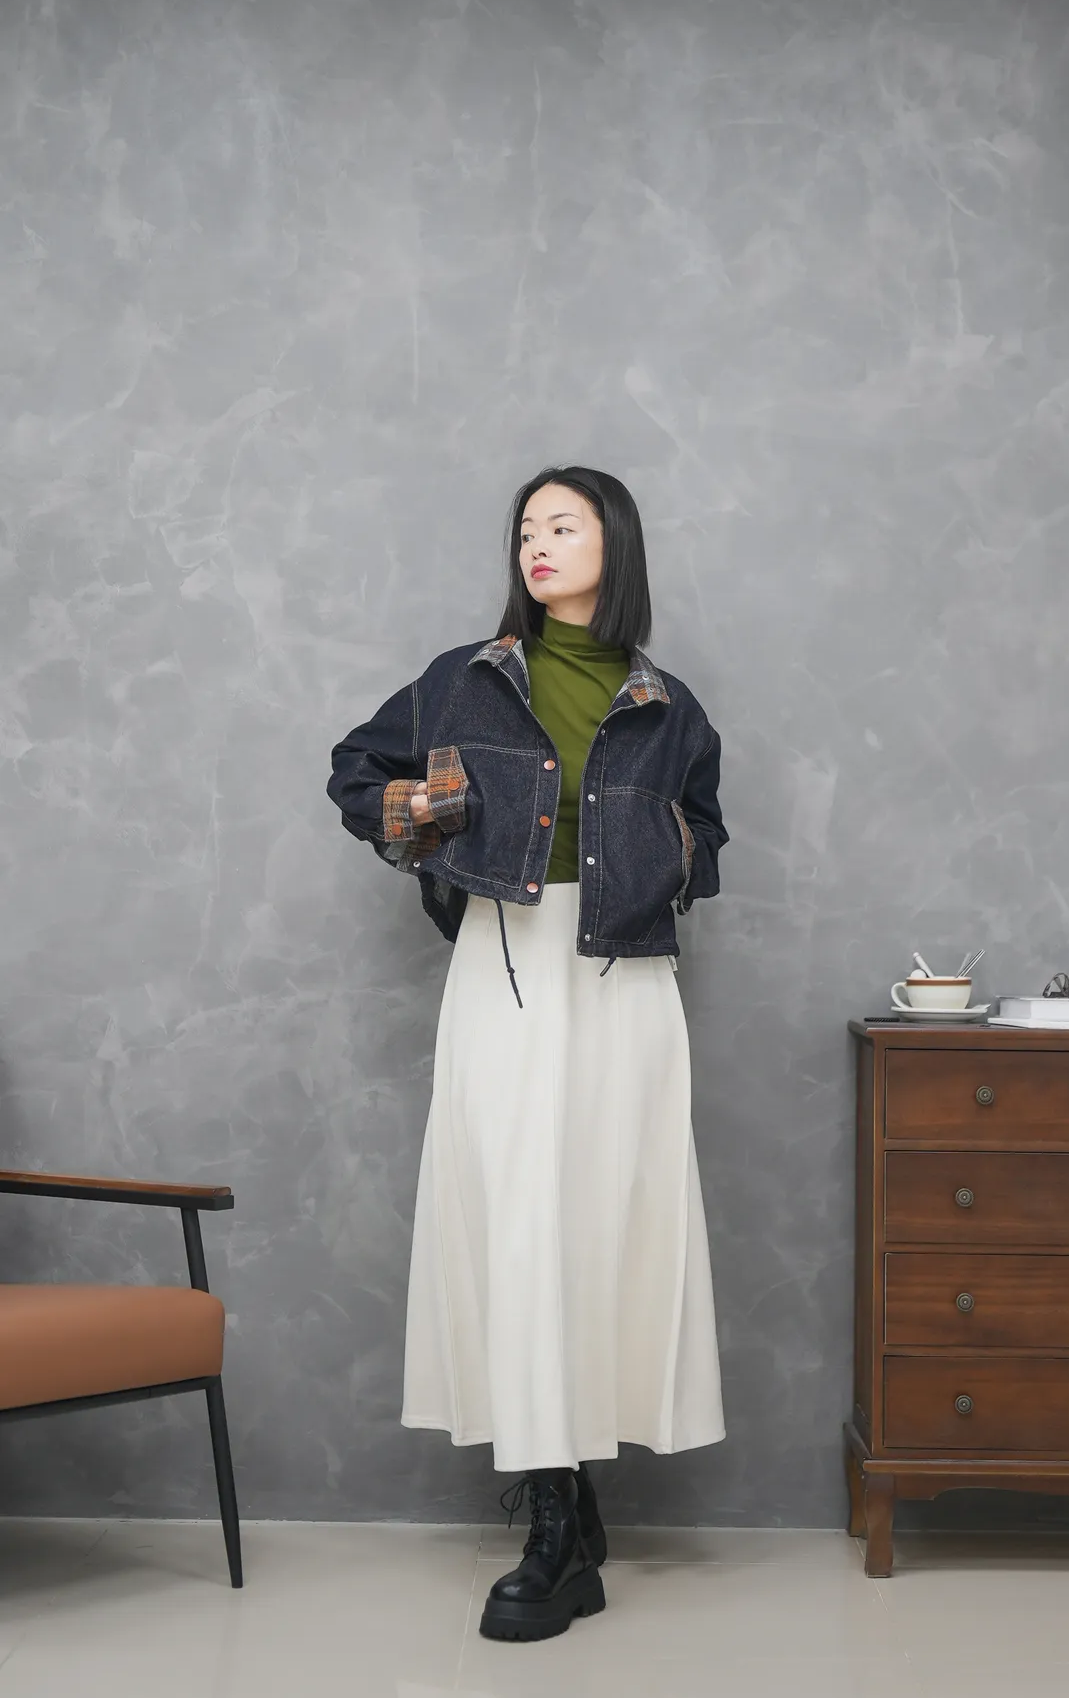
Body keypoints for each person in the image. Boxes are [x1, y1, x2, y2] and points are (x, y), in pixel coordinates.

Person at [327, 466, 728, 1641]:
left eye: (563, 525)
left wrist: (669, 853)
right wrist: (422, 819)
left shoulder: (670, 704)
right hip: (505, 964)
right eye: (526, 530)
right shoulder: (466, 679)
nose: (537, 545)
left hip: (625, 980)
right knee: (517, 1221)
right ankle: (555, 1523)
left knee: (605, 1223)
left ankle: (575, 1503)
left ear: (616, 545)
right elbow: (359, 771)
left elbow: (707, 833)